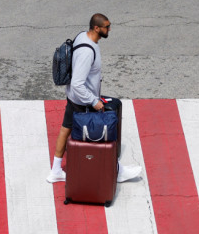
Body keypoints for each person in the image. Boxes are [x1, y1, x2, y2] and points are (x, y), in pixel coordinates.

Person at [47, 13, 141, 183]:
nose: (109, 29)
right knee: (105, 132)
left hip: (74, 98)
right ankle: (117, 171)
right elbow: (77, 83)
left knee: (65, 130)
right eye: (107, 26)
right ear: (97, 28)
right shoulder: (87, 53)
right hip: (83, 101)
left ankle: (55, 170)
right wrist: (94, 101)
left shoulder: (83, 36)